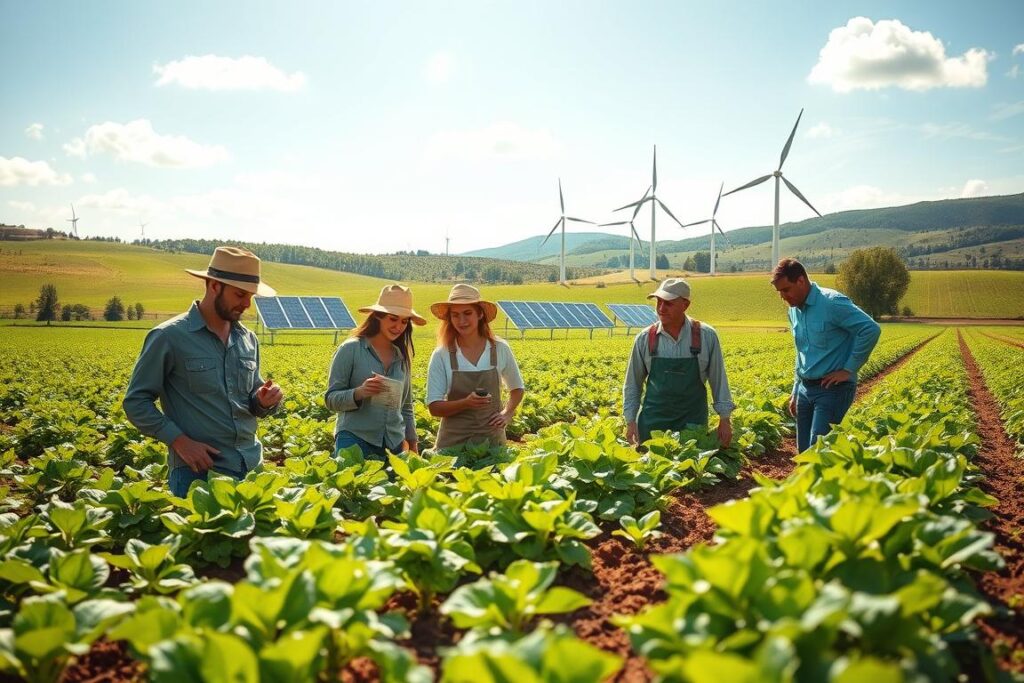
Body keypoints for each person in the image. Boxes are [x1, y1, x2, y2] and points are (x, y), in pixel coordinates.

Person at [123, 246, 284, 497]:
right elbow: (135, 402)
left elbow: (251, 398)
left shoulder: (247, 338)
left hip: (250, 465)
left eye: (251, 296)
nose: (246, 304)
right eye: (240, 294)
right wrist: (179, 441)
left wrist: (263, 401)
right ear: (214, 286)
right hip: (198, 473)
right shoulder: (169, 336)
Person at [771, 258, 881, 452]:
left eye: (786, 290)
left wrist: (849, 369)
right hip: (805, 388)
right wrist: (796, 391)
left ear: (801, 281)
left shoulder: (832, 303)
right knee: (804, 454)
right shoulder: (794, 311)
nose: (782, 297)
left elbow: (870, 329)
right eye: (779, 292)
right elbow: (801, 352)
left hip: (832, 389)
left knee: (818, 452)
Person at [623, 278, 734, 447]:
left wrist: (725, 419)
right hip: (653, 425)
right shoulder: (645, 339)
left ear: (685, 305)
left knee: (690, 470)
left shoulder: (706, 336)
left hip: (693, 424)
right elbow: (632, 384)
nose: (661, 308)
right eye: (658, 302)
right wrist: (630, 421)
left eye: (668, 303)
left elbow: (719, 380)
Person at [325, 284, 425, 460]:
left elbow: (407, 408)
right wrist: (359, 393)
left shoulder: (401, 357)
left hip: (393, 444)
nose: (398, 326)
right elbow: (331, 400)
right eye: (393, 319)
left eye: (404, 321)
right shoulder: (351, 349)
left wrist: (413, 447)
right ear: (378, 316)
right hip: (355, 438)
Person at [426, 284, 525, 451]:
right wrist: (465, 403)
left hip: (492, 443)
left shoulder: (500, 348)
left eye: (467, 313)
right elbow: (434, 407)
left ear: (480, 314)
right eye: (455, 315)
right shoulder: (441, 354)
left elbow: (517, 388)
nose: (462, 321)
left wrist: (507, 413)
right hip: (453, 445)